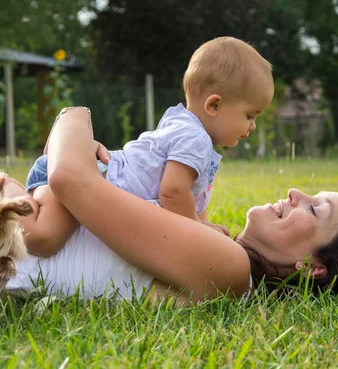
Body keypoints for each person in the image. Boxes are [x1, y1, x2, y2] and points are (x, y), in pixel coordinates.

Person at [0, 107, 338, 304]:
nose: (297, 194)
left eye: (316, 210)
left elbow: (69, 180)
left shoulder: (231, 270)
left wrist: (72, 117)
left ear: (314, 268)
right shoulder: (214, 245)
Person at [22, 36, 274, 256]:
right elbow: (173, 192)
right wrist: (199, 228)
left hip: (86, 178)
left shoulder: (187, 128)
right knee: (43, 239)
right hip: (86, 180)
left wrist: (204, 223)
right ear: (214, 105)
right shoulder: (194, 139)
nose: (252, 126)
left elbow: (191, 198)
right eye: (250, 116)